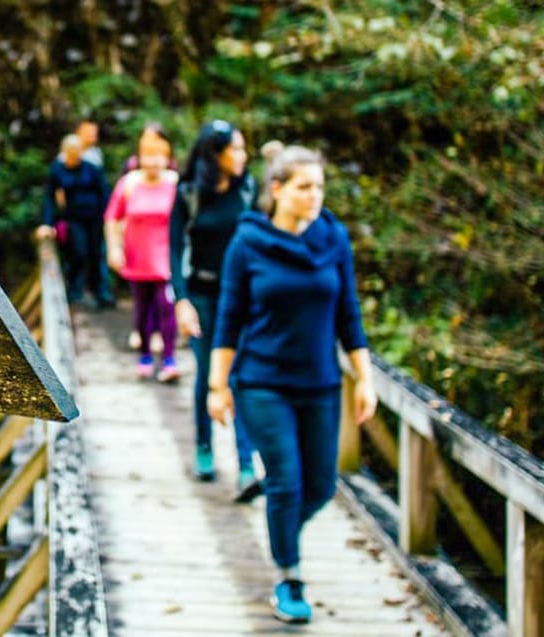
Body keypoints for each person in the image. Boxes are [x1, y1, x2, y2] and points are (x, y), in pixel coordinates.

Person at [206, 144, 377, 624]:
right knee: (286, 480)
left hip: (321, 383)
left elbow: (349, 316)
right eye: (305, 187)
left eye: (320, 187)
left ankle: (282, 525)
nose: (314, 196)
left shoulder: (333, 239)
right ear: (277, 189)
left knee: (320, 485)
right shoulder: (248, 242)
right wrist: (216, 386)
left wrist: (364, 378)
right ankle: (289, 578)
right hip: (262, 382)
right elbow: (229, 316)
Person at [169, 120, 261, 497]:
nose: (242, 156)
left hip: (240, 296)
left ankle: (245, 464)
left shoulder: (247, 189)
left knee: (239, 374)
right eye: (235, 149)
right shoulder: (189, 192)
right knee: (210, 372)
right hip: (202, 294)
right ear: (214, 154)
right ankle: (205, 448)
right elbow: (173, 249)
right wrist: (182, 300)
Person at [105, 132, 180, 382]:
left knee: (166, 306)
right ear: (140, 158)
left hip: (167, 257)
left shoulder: (175, 183)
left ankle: (169, 359)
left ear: (167, 158)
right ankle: (145, 356)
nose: (154, 162)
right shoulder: (129, 183)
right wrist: (114, 248)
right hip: (137, 255)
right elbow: (112, 217)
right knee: (142, 307)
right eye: (149, 156)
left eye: (159, 156)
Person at [38, 133, 115, 308]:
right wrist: (47, 223)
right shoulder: (58, 169)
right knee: (79, 252)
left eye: (78, 153)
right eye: (72, 153)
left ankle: (100, 293)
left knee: (96, 254)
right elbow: (49, 197)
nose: (75, 157)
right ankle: (75, 292)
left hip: (95, 217)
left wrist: (109, 219)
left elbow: (104, 194)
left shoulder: (91, 168)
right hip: (74, 218)